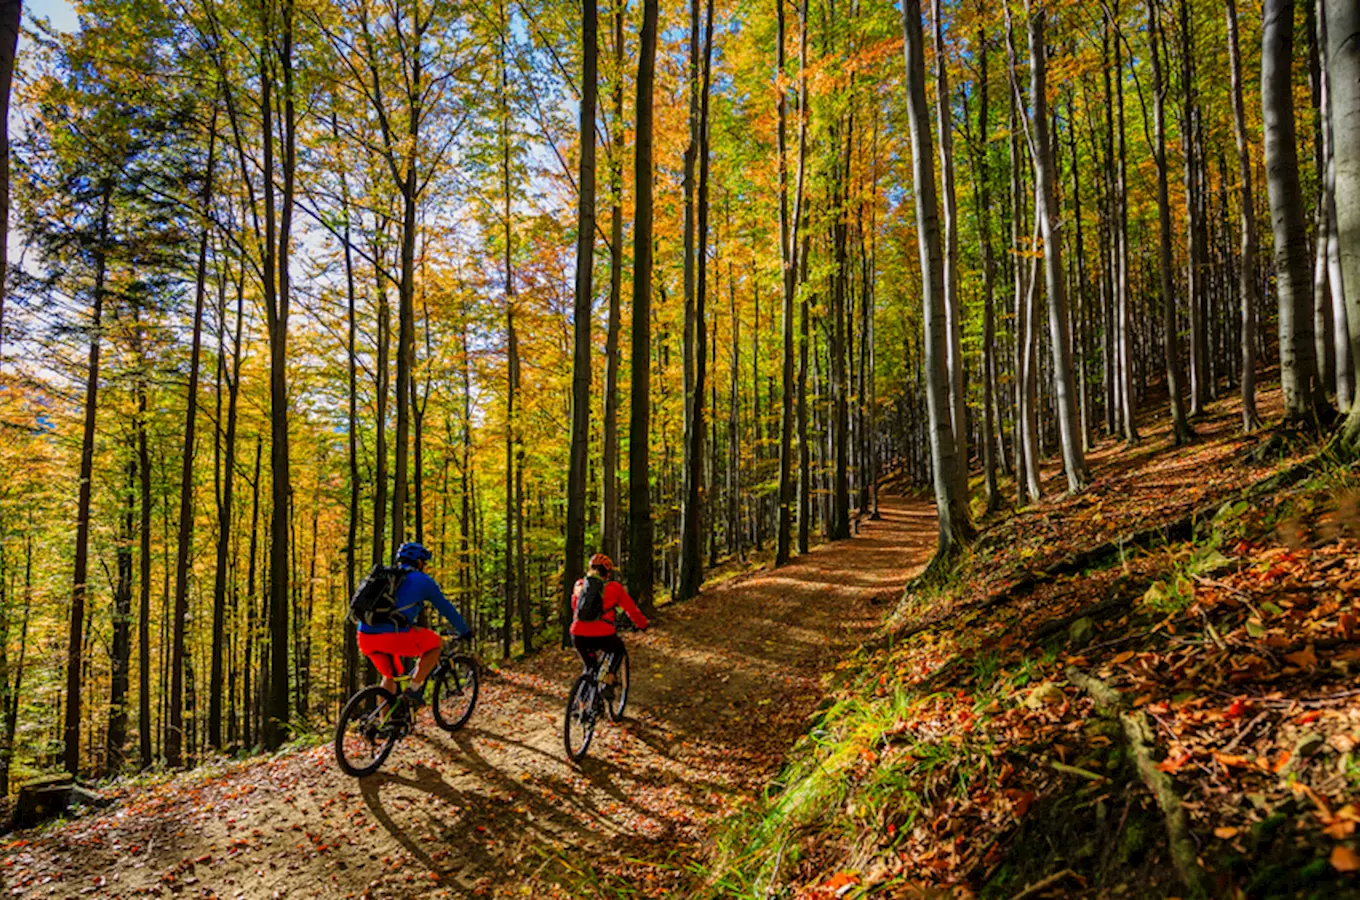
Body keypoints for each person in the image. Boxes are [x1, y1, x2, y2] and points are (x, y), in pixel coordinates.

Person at [357, 542, 472, 714]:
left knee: (391, 676)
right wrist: (464, 630)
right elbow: (446, 607)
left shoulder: (385, 578)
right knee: (435, 643)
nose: (425, 566)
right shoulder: (422, 580)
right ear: (418, 562)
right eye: (424, 563)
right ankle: (414, 689)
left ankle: (386, 725)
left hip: (365, 637)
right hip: (392, 636)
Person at [570, 553, 648, 691]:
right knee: (618, 649)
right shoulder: (614, 588)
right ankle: (608, 680)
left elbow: (575, 608)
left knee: (590, 668)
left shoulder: (579, 585)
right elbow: (632, 610)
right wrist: (642, 625)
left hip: (578, 634)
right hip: (603, 635)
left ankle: (582, 704)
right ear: (608, 572)